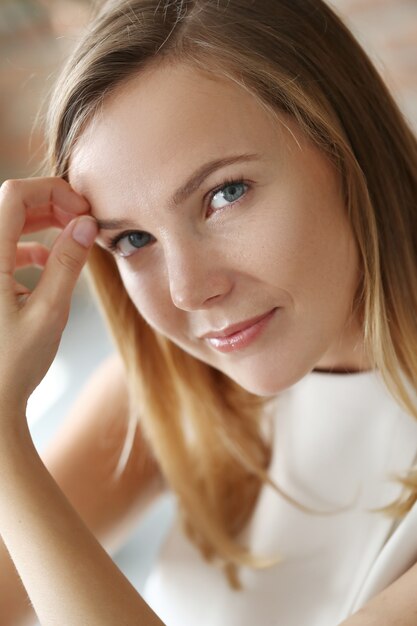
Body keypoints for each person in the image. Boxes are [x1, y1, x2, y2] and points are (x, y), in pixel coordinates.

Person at [0, 0, 416, 624]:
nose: (188, 291)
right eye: (133, 240)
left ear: (344, 143)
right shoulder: (181, 386)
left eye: (225, 194)